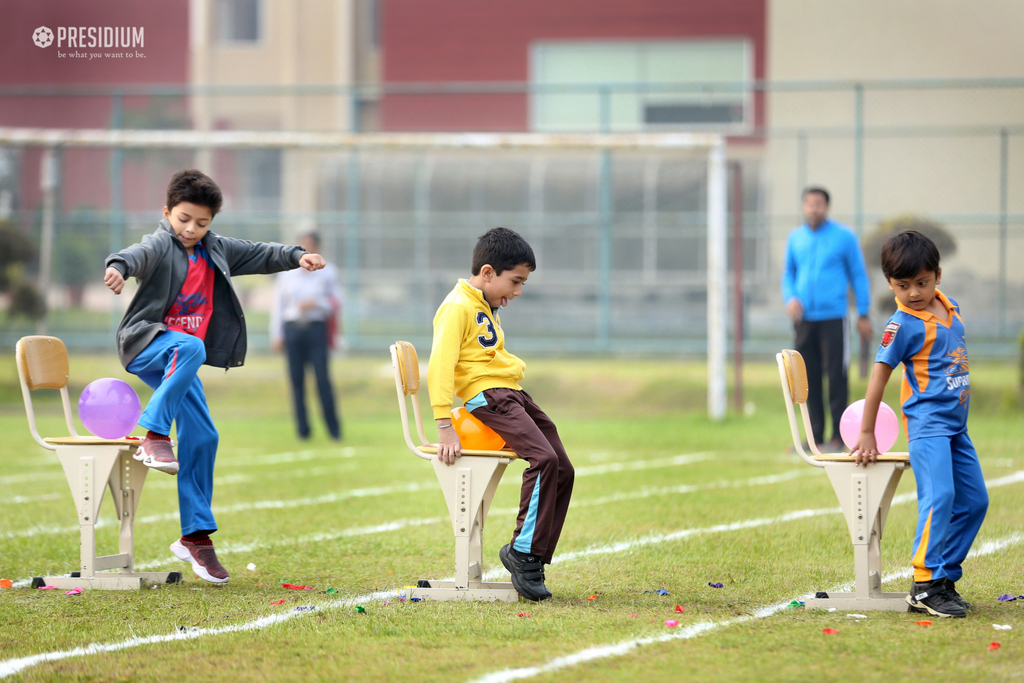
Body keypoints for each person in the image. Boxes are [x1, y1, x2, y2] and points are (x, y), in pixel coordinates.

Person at [103, 169, 326, 584]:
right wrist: (117, 266)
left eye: (201, 223)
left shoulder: (216, 249)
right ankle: (152, 435)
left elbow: (261, 253)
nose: (191, 229)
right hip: (146, 344)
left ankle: (195, 537)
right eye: (183, 219)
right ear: (167, 212)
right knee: (191, 346)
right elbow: (135, 255)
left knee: (204, 436)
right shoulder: (159, 244)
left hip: (180, 361)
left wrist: (297, 257)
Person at [428, 227, 574, 602]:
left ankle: (534, 555)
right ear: (488, 272)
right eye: (515, 281)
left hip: (511, 394)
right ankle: (522, 554)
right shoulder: (458, 306)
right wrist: (444, 426)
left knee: (562, 466)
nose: (518, 291)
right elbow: (440, 368)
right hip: (488, 397)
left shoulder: (483, 304)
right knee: (542, 460)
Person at [851, 230, 987, 619]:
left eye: (921, 283)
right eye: (902, 285)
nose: (913, 292)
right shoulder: (901, 324)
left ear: (938, 276)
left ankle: (944, 577)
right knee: (940, 497)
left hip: (957, 428)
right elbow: (879, 375)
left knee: (975, 501)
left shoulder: (951, 307)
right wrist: (866, 430)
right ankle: (924, 586)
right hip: (928, 427)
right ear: (890, 283)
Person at [782, 187, 872, 451]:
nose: (813, 208)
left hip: (834, 318)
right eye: (809, 203)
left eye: (818, 204)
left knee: (836, 377)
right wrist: (790, 297)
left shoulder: (844, 237)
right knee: (807, 381)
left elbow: (858, 275)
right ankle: (815, 437)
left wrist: (863, 312)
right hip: (803, 320)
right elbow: (788, 273)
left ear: (827, 207)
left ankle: (839, 437)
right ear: (803, 207)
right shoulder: (795, 238)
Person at [270, 232, 343, 441]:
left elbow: (336, 302)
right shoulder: (287, 273)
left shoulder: (328, 272)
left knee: (322, 380)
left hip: (316, 328)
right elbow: (279, 306)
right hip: (293, 329)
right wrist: (277, 334)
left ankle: (334, 431)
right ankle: (303, 431)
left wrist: (317, 302)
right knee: (296, 382)